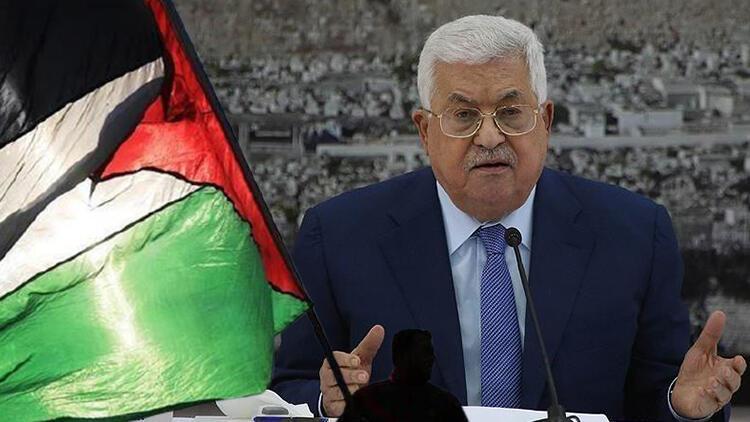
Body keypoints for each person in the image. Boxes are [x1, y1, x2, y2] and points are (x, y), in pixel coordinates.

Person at [271, 15, 746, 421]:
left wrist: (682, 406)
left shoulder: (634, 235)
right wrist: (327, 402)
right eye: (463, 115)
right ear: (425, 130)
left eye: (511, 112)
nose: (489, 137)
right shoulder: (339, 237)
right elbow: (288, 389)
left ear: (546, 121)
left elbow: (660, 393)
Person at [339, 329, 467, 422]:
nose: (430, 359)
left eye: (430, 353)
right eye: (424, 353)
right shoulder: (365, 401)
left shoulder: (447, 404)